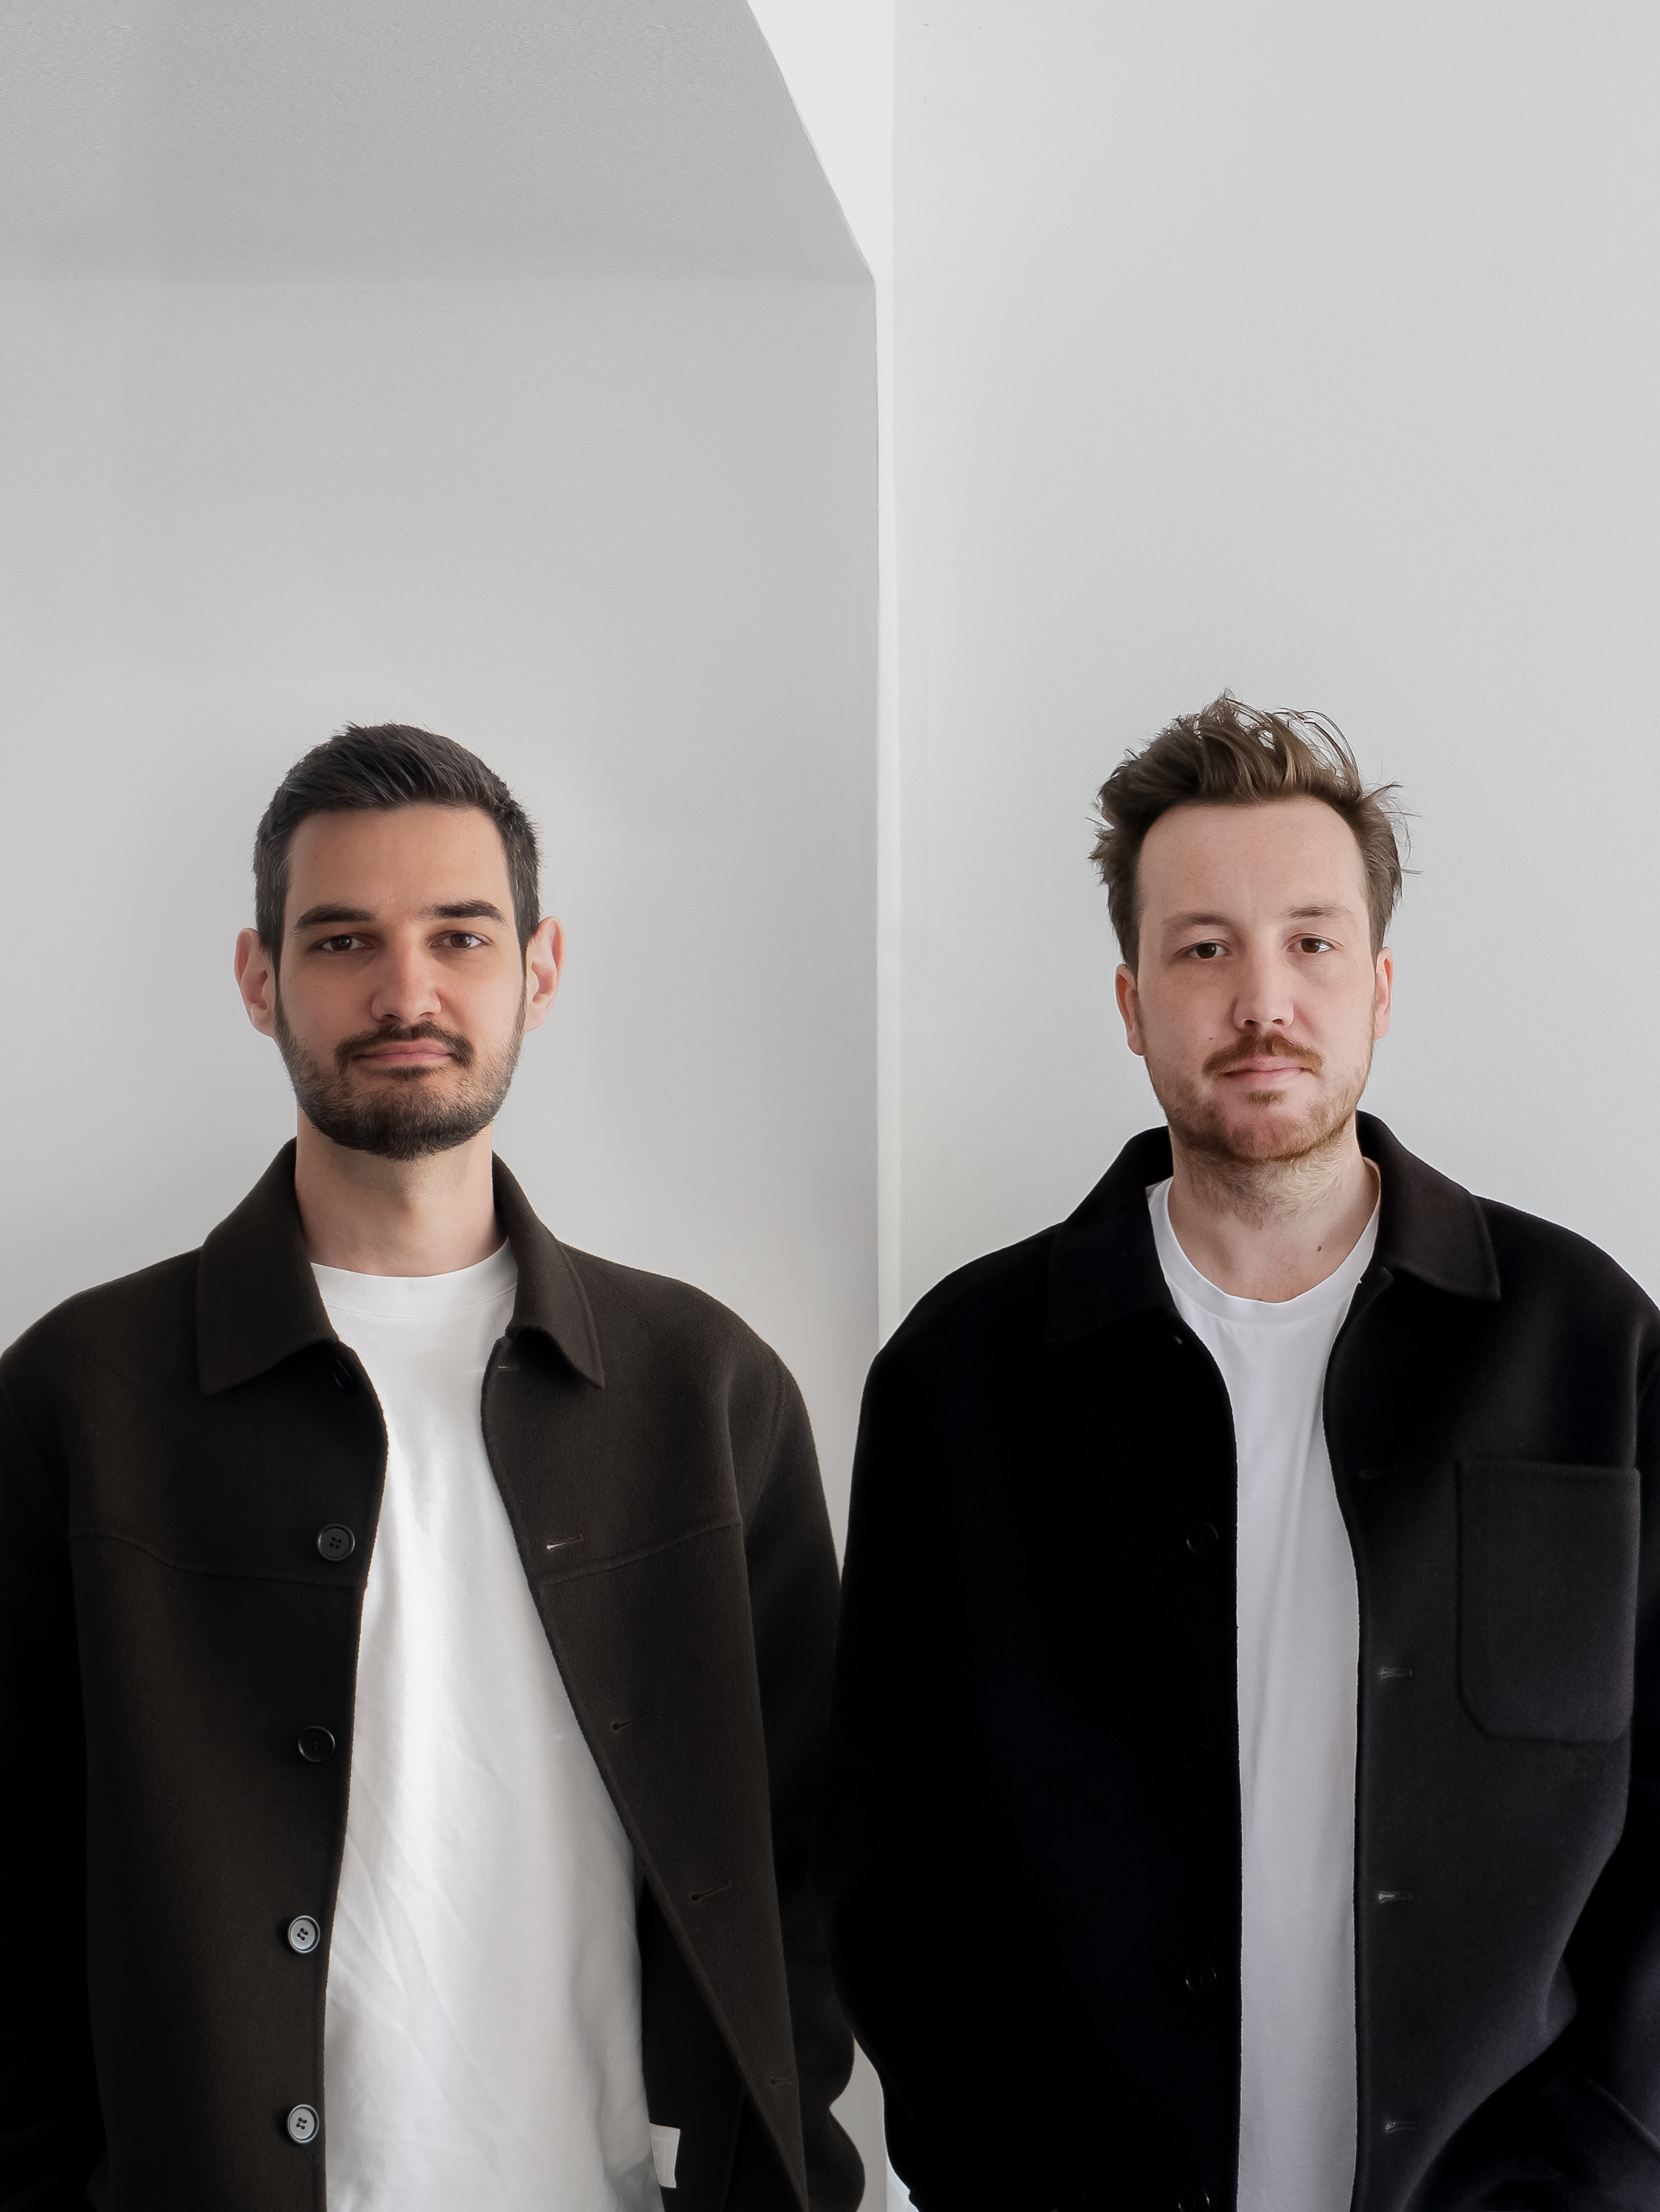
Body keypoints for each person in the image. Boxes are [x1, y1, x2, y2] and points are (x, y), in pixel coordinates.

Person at [814, 695, 1660, 2212]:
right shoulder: (962, 1377)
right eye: (1203, 948)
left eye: (1311, 943)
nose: (1260, 995)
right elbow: (888, 1851)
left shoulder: (1589, 1347)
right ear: (1132, 997)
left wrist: (1603, 2173)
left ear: (1380, 986)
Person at [0, 723, 860, 2212]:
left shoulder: (705, 1392)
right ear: (260, 977)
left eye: (459, 935)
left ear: (539, 967)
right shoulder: (83, 1398)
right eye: (344, 940)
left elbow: (806, 1878)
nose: (406, 993)